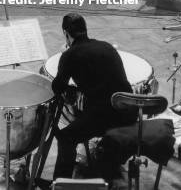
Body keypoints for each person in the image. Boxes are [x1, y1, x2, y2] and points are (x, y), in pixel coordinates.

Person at [49, 14, 136, 182]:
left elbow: (57, 87)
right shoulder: (107, 46)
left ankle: (60, 184)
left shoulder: (69, 55)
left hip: (105, 117)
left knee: (65, 137)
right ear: (85, 30)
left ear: (66, 33)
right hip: (128, 111)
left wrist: (69, 87)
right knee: (91, 108)